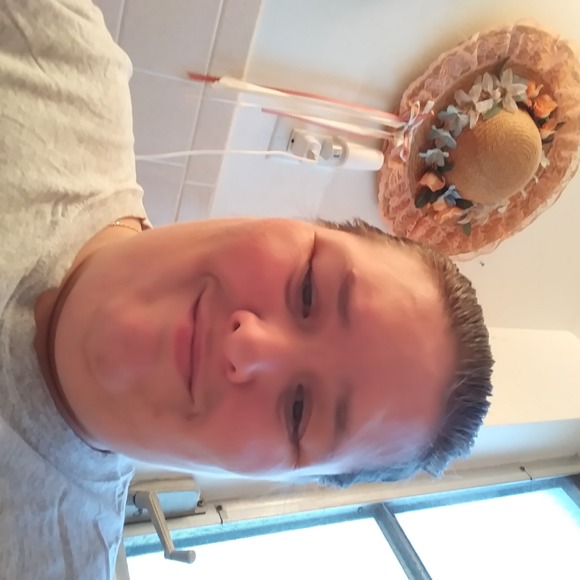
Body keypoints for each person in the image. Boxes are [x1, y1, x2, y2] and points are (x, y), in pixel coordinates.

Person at [0, 0, 493, 578]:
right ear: (301, 221)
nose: (247, 347)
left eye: (299, 413)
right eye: (307, 290)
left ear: (274, 476)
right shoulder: (51, 50)